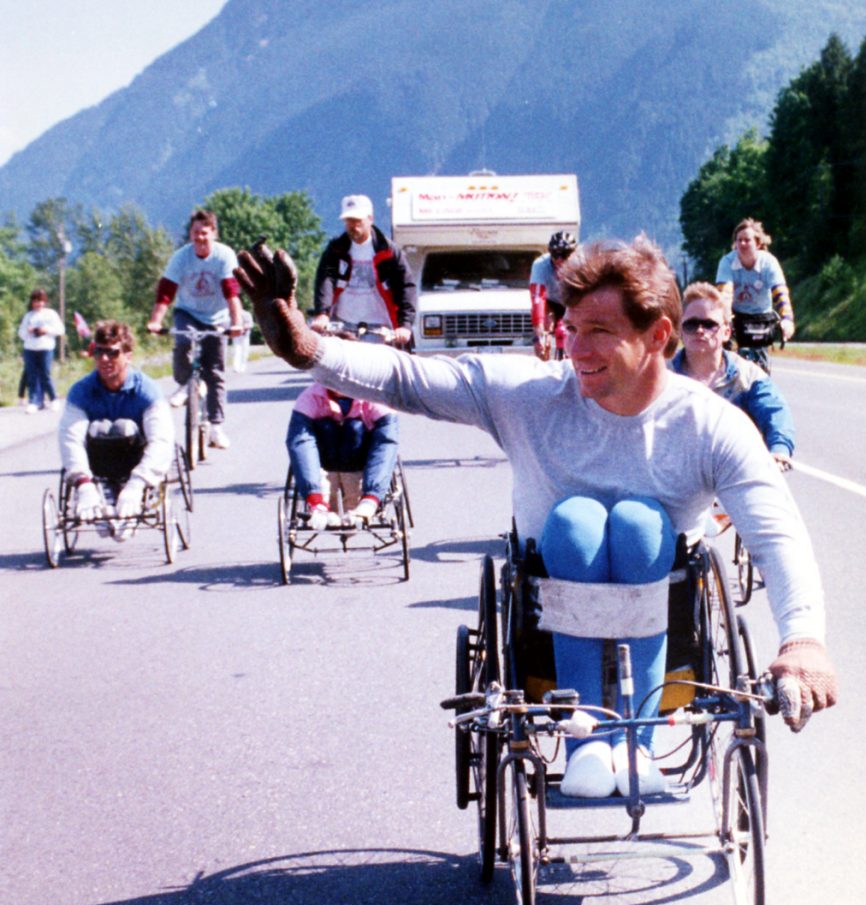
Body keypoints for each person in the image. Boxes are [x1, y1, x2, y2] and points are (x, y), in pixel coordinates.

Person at [236, 235, 837, 799]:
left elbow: (775, 530)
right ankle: (586, 740)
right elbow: (406, 376)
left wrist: (803, 638)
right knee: (575, 521)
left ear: (658, 336)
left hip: (667, 621)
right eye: (570, 327)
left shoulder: (709, 424)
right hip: (544, 630)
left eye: (598, 330)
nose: (574, 349)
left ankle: (637, 744)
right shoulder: (531, 395)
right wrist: (298, 342)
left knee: (640, 524)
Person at [59, 320, 174, 527]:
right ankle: (101, 492)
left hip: (135, 460)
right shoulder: (80, 391)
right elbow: (70, 439)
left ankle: (129, 490)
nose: (104, 359)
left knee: (125, 427)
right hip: (98, 462)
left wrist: (138, 483)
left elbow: (161, 440)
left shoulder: (147, 391)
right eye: (99, 352)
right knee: (98, 428)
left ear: (128, 356)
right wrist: (83, 482)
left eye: (113, 353)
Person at [146, 209, 243, 449]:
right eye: (195, 233)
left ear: (214, 233)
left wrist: (236, 323)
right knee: (183, 342)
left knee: (215, 371)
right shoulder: (181, 257)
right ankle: (185, 383)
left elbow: (232, 294)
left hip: (217, 317)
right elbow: (166, 292)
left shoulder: (224, 256)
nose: (200, 238)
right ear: (190, 234)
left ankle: (216, 427)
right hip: (188, 312)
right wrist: (156, 321)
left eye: (205, 233)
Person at [671, 282, 795, 465]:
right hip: (676, 473)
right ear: (680, 330)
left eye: (709, 324)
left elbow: (775, 412)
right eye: (691, 324)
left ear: (726, 332)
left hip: (732, 471)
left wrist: (779, 449)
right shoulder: (662, 375)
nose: (699, 330)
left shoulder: (749, 376)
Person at [287, 377, 399, 529]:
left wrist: (372, 498)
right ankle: (321, 505)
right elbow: (301, 443)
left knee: (355, 428)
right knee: (326, 428)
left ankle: (362, 503)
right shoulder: (310, 397)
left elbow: (385, 444)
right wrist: (313, 497)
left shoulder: (377, 398)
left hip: (360, 464)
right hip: (325, 465)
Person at [309, 194, 416, 349]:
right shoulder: (336, 249)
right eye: (349, 221)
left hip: (380, 329)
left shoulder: (388, 250)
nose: (353, 226)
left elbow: (406, 286)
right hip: (343, 326)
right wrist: (322, 314)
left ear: (370, 219)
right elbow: (326, 280)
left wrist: (404, 326)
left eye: (358, 220)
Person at [715, 218, 794, 370]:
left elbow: (780, 293)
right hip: (736, 316)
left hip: (761, 318)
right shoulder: (727, 262)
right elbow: (724, 295)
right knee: (729, 363)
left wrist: (787, 319)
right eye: (739, 240)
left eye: (747, 240)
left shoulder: (769, 262)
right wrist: (724, 319)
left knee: (761, 367)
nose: (742, 244)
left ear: (758, 243)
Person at [530, 231, 577, 360]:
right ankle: (543, 365)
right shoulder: (540, 265)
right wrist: (540, 332)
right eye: (555, 255)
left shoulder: (580, 264)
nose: (559, 260)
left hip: (573, 300)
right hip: (551, 302)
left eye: (564, 255)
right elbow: (538, 297)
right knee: (544, 331)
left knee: (572, 330)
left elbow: (582, 296)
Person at [17, 288, 63, 414]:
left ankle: (54, 399)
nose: (38, 304)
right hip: (30, 348)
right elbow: (21, 333)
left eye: (41, 301)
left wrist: (46, 330)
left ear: (44, 301)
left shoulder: (51, 314)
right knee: (32, 376)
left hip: (46, 348)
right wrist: (29, 330)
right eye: (36, 301)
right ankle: (34, 402)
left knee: (45, 374)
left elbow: (60, 330)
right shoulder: (29, 315)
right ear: (32, 302)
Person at [232, 308, 254, 373]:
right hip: (237, 335)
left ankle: (243, 366)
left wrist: (244, 328)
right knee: (236, 350)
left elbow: (250, 324)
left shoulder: (246, 314)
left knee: (245, 350)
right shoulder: (233, 314)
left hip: (245, 335)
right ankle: (236, 367)